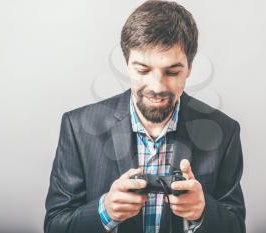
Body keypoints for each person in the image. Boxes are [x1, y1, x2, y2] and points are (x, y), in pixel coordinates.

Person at [44, 1, 246, 233]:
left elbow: (236, 226)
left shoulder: (225, 131)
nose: (157, 86)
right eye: (142, 70)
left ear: (189, 68)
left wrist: (202, 211)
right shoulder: (77, 128)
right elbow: (54, 226)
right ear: (127, 64)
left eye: (172, 71)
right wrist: (105, 211)